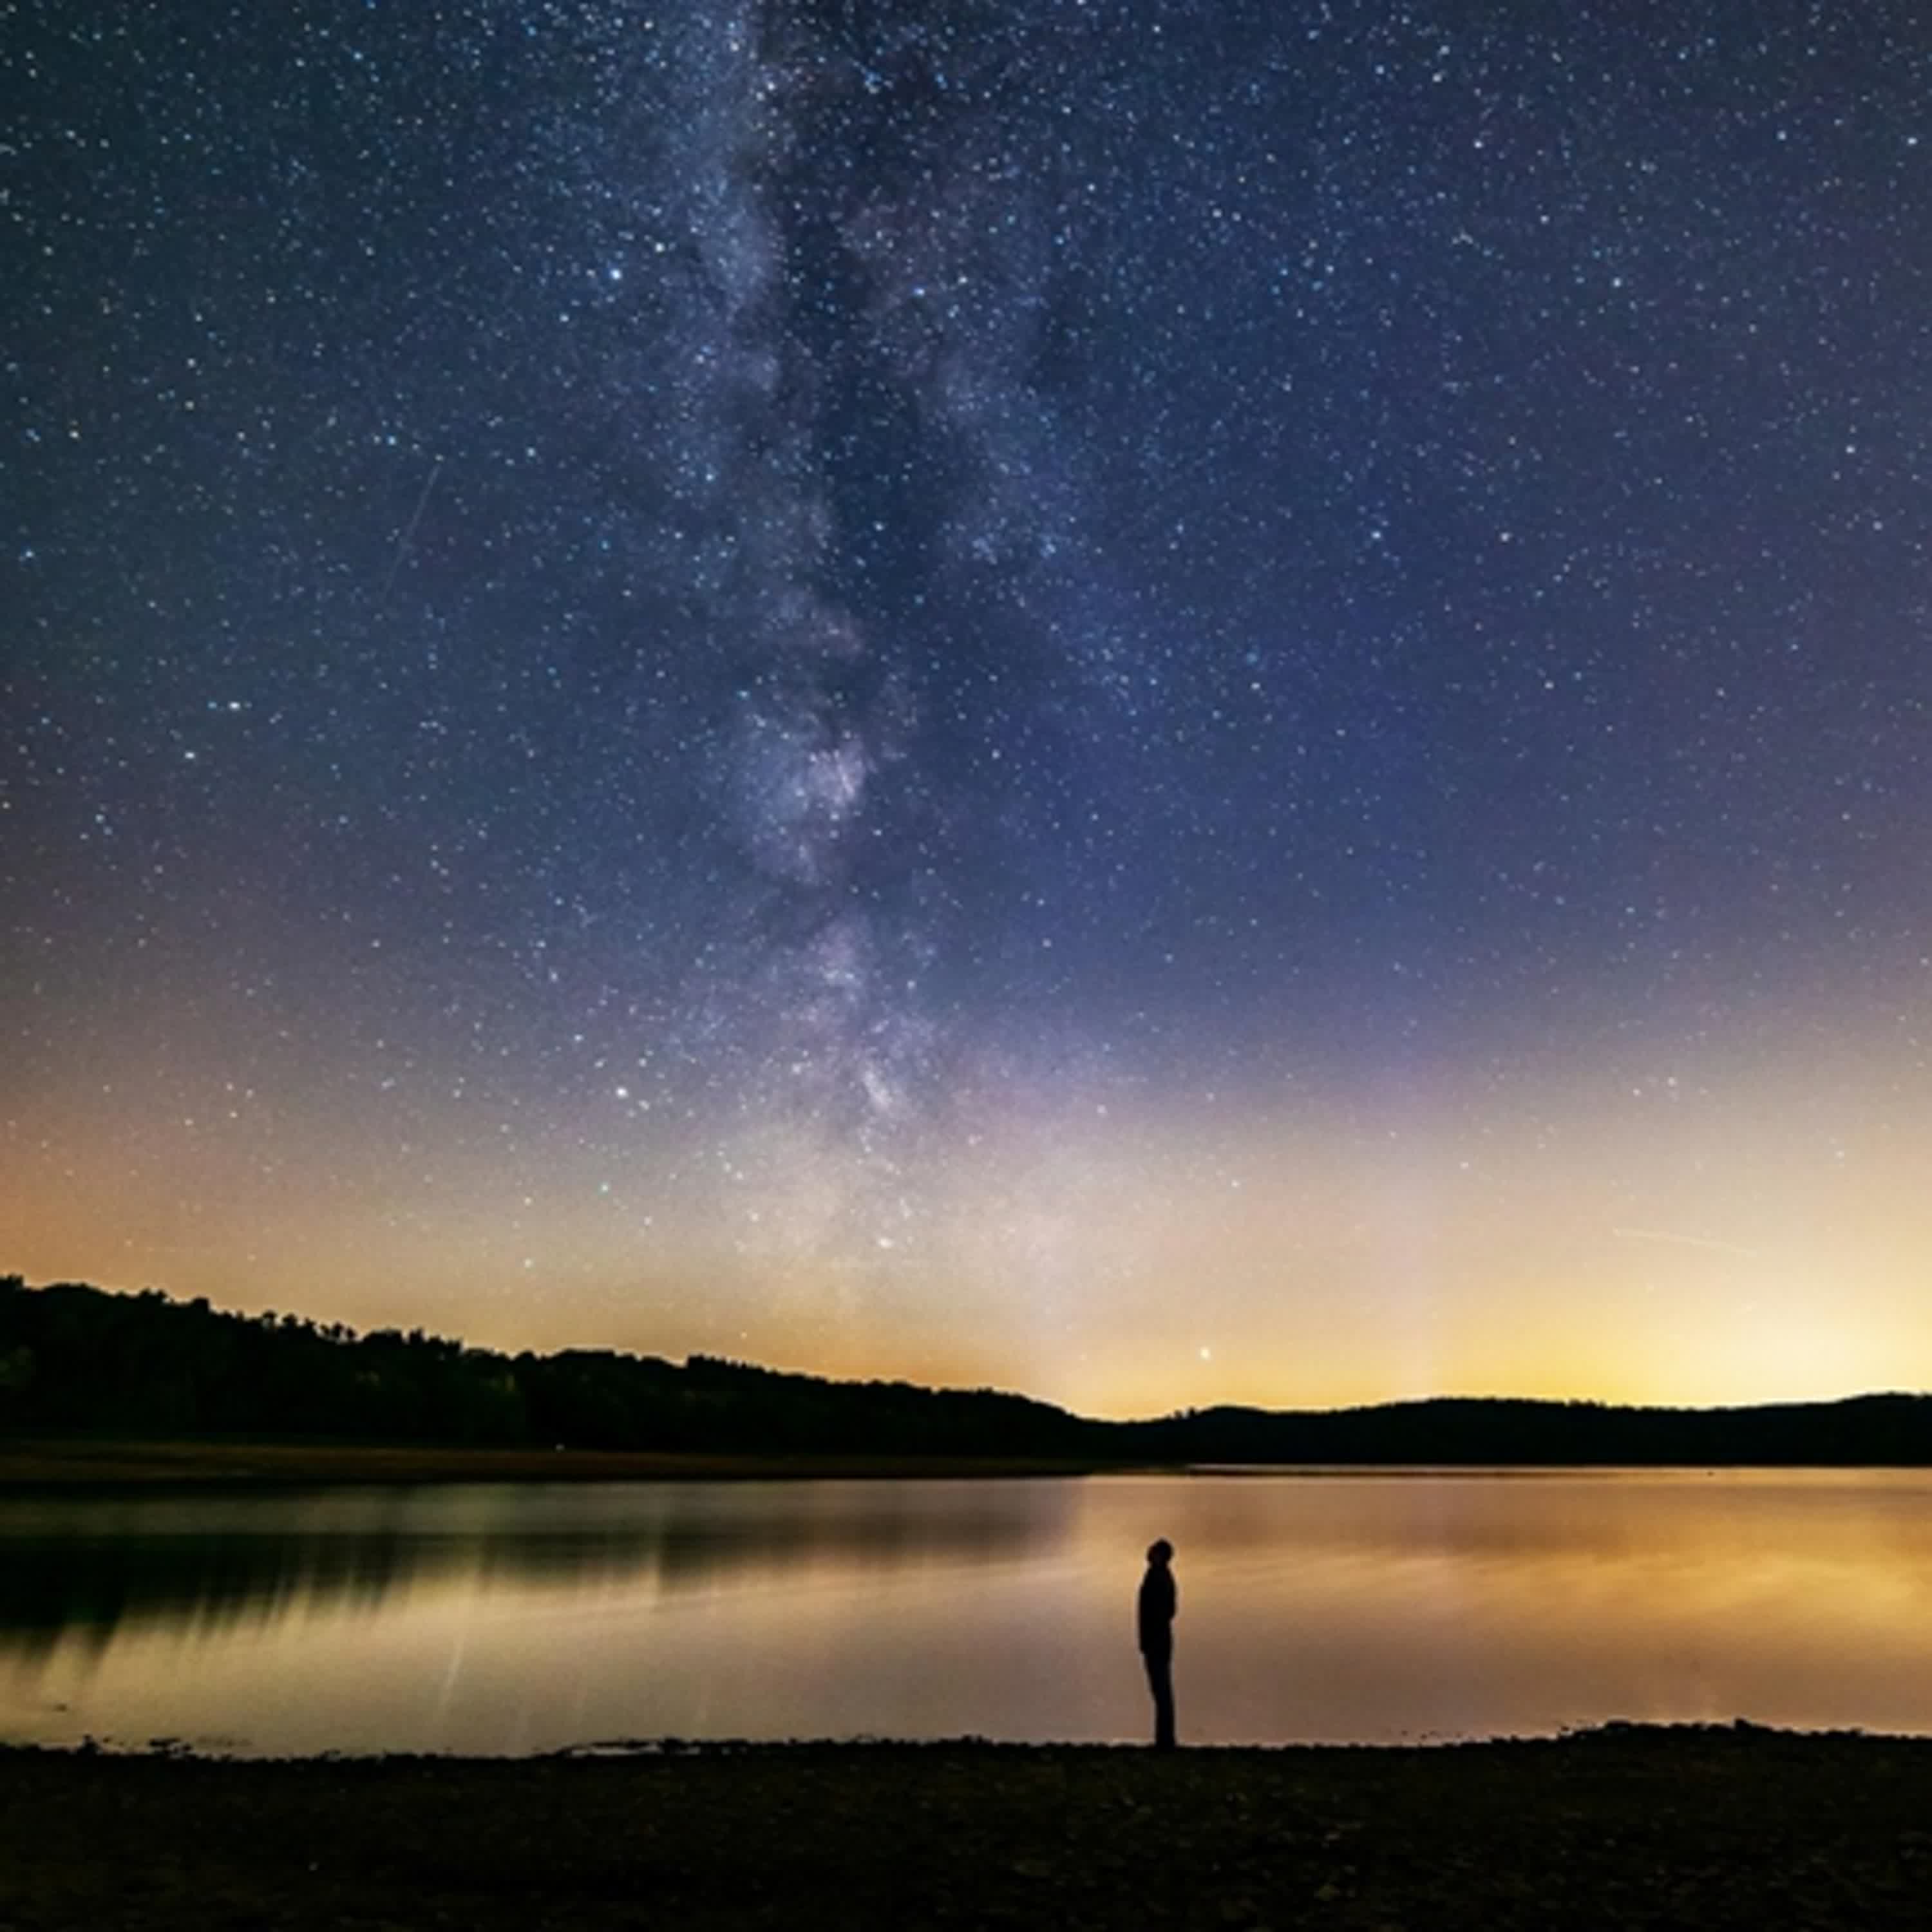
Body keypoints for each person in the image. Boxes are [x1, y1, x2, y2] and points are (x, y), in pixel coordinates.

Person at [1137, 1537, 1177, 1748]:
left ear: (1161, 1556)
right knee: (1159, 1690)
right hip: (1155, 1641)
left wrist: (1152, 1638)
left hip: (1158, 1642)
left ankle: (1165, 1740)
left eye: (1153, 1551)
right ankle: (1163, 1738)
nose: (1149, 1552)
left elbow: (1166, 1611)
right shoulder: (1155, 1575)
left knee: (1161, 1690)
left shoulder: (1160, 1577)